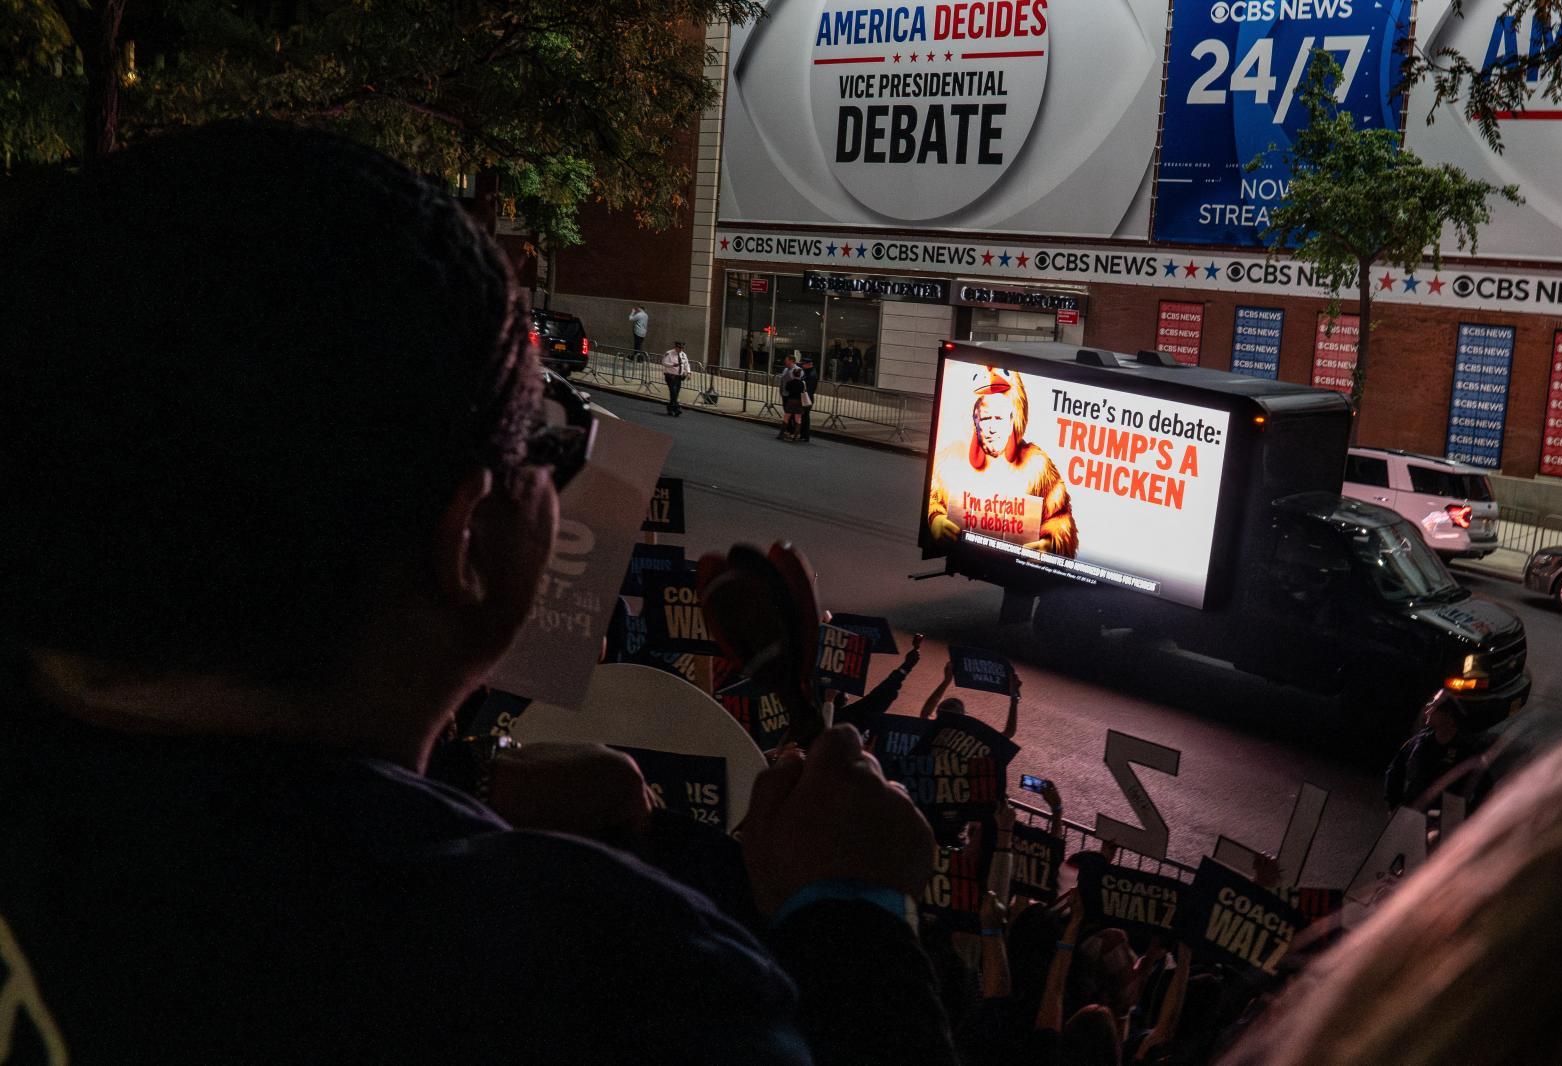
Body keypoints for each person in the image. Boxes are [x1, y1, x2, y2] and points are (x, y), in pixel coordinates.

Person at [0, 122, 956, 1065]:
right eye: (546, 435)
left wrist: (459, 793)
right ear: (464, 538)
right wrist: (858, 916)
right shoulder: (623, 988)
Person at [1221, 714, 1562, 1066]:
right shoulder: (1418, 746)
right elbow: (1396, 774)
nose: (1431, 712)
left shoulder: (1466, 755)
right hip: (1415, 830)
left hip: (1438, 835)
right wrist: (1396, 807)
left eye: (1438, 709)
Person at [928, 366, 1079, 557]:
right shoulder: (951, 461)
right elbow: (932, 499)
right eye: (985, 419)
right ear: (975, 421)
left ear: (1011, 422)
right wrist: (935, 519)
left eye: (998, 418)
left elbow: (1060, 517)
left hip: (1020, 563)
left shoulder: (1036, 466)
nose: (992, 428)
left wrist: (1050, 544)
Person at [1383, 690, 1494, 815]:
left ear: (1449, 716)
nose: (1428, 709)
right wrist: (1394, 805)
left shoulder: (1466, 751)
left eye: (1434, 706)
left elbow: (1485, 788)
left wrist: (1467, 816)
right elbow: (1395, 771)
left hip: (1447, 821)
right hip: (1414, 817)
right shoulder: (1418, 743)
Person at [779, 355, 806, 442]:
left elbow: (787, 388)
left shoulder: (791, 383)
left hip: (791, 400)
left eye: (786, 360)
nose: (785, 362)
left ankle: (782, 433)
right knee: (798, 419)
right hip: (799, 401)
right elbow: (804, 390)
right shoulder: (802, 383)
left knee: (786, 417)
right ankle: (795, 435)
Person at [661, 340, 691, 417]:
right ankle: (677, 408)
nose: (681, 349)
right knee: (673, 392)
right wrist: (672, 365)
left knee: (675, 394)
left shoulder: (683, 355)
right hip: (670, 376)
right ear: (675, 347)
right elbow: (664, 362)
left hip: (679, 377)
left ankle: (670, 408)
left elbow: (687, 364)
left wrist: (689, 372)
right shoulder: (669, 353)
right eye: (679, 347)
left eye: (682, 348)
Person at [799, 353, 819, 442]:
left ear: (808, 364)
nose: (802, 366)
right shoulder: (809, 372)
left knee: (805, 417)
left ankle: (805, 435)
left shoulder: (811, 375)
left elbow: (809, 389)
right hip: (807, 398)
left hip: (807, 398)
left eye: (803, 364)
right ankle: (803, 435)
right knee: (804, 417)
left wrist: (805, 400)